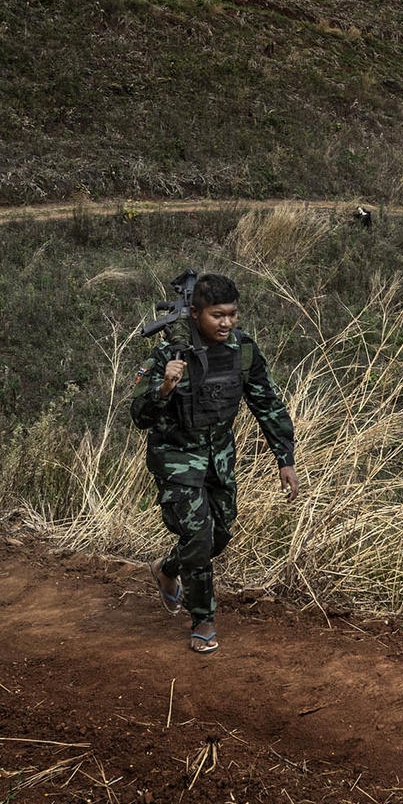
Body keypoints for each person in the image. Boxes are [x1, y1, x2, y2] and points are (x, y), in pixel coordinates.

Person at [130, 273, 298, 654]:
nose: (226, 323)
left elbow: (266, 403)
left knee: (219, 535)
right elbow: (138, 415)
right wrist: (163, 389)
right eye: (217, 315)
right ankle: (203, 620)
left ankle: (168, 569)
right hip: (175, 459)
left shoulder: (243, 351)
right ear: (194, 313)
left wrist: (284, 458)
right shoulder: (168, 353)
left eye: (232, 314)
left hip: (219, 458)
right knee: (199, 538)